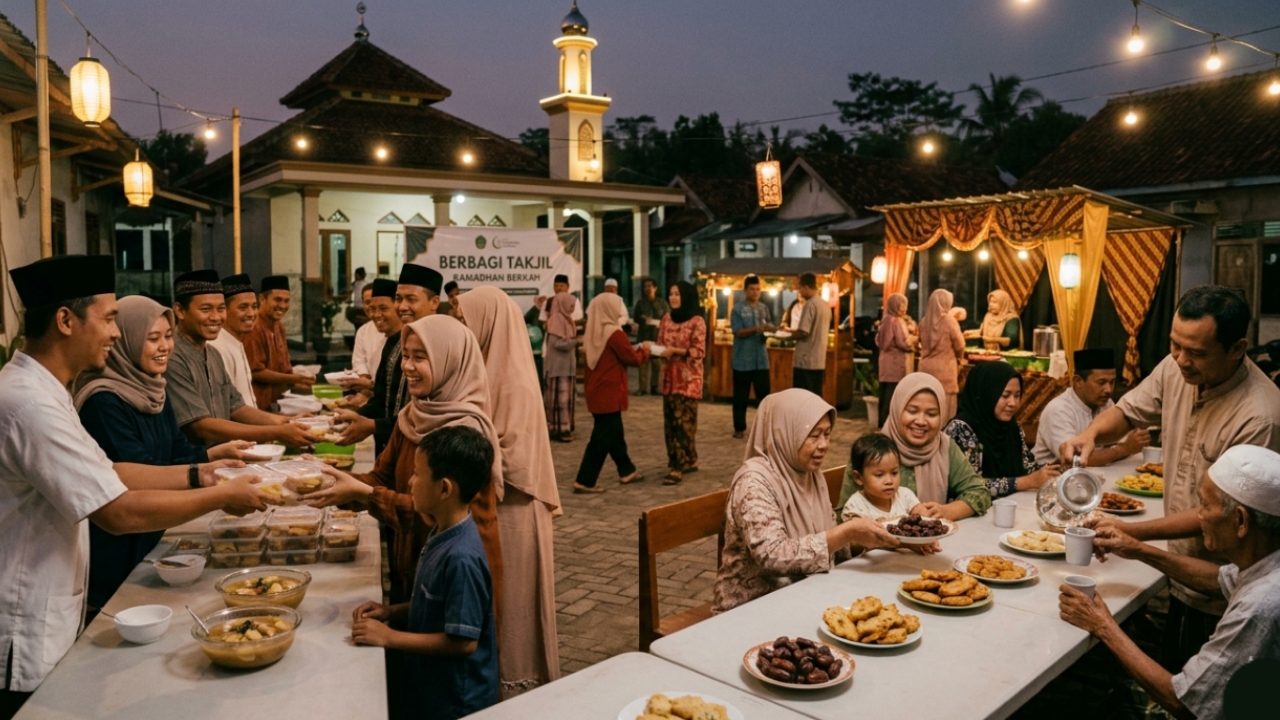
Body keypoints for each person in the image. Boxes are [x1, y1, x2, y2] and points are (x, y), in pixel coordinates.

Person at [0, 256, 274, 717]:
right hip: (26, 618)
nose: (113, 331)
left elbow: (112, 472)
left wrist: (201, 473)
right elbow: (117, 510)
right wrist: (221, 495)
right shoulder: (30, 405)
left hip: (56, 604)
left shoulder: (49, 391)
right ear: (66, 320)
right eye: (108, 318)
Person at [1063, 286, 1280, 669]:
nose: (1181, 360)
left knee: (1201, 692)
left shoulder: (1260, 415)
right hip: (1177, 571)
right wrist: (1091, 434)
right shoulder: (1176, 366)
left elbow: (1221, 513)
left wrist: (1133, 536)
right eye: (1174, 345)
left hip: (1223, 584)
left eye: (1196, 353)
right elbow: (1129, 413)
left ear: (1237, 347)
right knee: (1173, 659)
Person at [1060, 445, 1280, 720]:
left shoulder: (1259, 607)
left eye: (1205, 506)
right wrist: (1136, 548)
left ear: (1240, 520)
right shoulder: (1268, 562)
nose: (1198, 515)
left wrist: (1102, 625)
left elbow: (1184, 703)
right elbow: (1219, 580)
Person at [303, 316, 503, 608]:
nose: (407, 366)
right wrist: (324, 478)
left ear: (450, 361)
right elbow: (382, 477)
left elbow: (431, 516)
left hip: (456, 581)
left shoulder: (464, 431)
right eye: (405, 356)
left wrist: (363, 493)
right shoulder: (412, 414)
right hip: (414, 565)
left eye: (420, 357)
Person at [73, 295, 255, 611]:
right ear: (124, 340)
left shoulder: (154, 387)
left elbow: (176, 451)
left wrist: (213, 456)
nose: (165, 347)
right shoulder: (102, 402)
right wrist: (214, 485)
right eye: (152, 338)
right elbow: (136, 476)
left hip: (153, 539)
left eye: (168, 337)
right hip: (118, 551)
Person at [455, 285, 562, 695]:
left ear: (490, 323)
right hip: (503, 508)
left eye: (467, 319)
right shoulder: (490, 368)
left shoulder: (513, 379)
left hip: (516, 509)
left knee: (517, 607)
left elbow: (514, 460)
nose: (464, 328)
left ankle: (519, 688)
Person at [713, 389, 909, 613]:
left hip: (803, 592)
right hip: (752, 605)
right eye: (814, 435)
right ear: (784, 433)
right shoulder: (753, 483)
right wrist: (847, 532)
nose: (825, 444)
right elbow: (773, 555)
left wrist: (867, 537)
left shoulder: (809, 474)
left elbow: (830, 542)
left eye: (827, 434)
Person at [351, 426, 499, 720]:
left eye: (417, 474)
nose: (409, 481)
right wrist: (390, 612)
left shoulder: (461, 557)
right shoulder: (442, 531)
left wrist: (389, 637)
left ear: (444, 489)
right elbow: (436, 605)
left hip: (457, 702)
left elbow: (463, 641)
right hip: (431, 690)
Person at [165, 271, 314, 448]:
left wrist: (287, 422)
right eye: (206, 309)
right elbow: (200, 426)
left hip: (225, 459)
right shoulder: (171, 356)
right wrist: (276, 432)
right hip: (191, 467)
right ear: (180, 311)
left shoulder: (212, 354)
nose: (215, 317)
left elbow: (236, 407)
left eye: (220, 309)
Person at [837, 373, 992, 520]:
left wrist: (947, 511)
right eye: (912, 411)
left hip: (932, 543)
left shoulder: (944, 447)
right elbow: (844, 516)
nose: (921, 421)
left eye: (931, 414)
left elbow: (980, 492)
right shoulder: (871, 451)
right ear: (897, 409)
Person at [337, 265, 442, 454]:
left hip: (427, 451)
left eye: (411, 299)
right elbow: (381, 398)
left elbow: (431, 414)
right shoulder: (395, 341)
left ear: (434, 302)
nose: (402, 306)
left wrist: (373, 426)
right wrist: (354, 417)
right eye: (399, 299)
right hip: (390, 446)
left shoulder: (444, 345)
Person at [944, 361, 1060, 499]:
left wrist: (1053, 469)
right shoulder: (962, 429)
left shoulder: (1011, 427)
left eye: (1017, 395)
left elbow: (1028, 466)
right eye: (1005, 395)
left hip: (1009, 506)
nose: (1013, 403)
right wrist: (1025, 482)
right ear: (987, 393)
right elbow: (968, 485)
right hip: (969, 514)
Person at [573, 293, 649, 493]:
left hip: (596, 390)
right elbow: (632, 358)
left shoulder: (593, 330)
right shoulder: (613, 332)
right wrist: (647, 350)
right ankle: (585, 480)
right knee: (602, 437)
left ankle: (627, 470)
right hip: (609, 391)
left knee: (614, 432)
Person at [1031, 348, 1148, 466]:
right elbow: (1076, 459)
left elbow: (1118, 441)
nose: (1108, 390)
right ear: (1078, 381)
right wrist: (1125, 449)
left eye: (1112, 382)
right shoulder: (1058, 410)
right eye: (1101, 382)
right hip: (1051, 479)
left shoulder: (1107, 403)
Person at [654, 281, 707, 485]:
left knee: (683, 424)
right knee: (670, 423)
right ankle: (689, 460)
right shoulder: (666, 319)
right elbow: (661, 344)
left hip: (689, 381)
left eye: (677, 294)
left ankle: (677, 467)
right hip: (669, 378)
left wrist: (675, 351)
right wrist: (654, 350)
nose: (674, 297)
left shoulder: (697, 321)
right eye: (671, 294)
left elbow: (698, 352)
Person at [245, 275, 313, 410]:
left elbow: (283, 369)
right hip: (256, 406)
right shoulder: (253, 327)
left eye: (286, 301)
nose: (282, 306)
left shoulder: (279, 327)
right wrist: (294, 379)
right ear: (262, 299)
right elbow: (256, 372)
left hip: (277, 402)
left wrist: (299, 380)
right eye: (277, 300)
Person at [840, 432, 927, 520]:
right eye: (879, 475)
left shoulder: (905, 496)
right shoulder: (855, 507)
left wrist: (925, 514)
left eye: (894, 473)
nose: (889, 481)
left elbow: (924, 516)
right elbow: (855, 532)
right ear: (858, 478)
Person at [730, 275, 774, 439]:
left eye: (758, 289)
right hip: (742, 360)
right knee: (740, 396)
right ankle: (739, 428)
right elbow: (737, 331)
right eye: (752, 289)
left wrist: (772, 329)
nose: (755, 292)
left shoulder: (764, 308)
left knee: (764, 397)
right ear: (745, 291)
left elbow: (769, 327)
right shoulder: (737, 309)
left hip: (761, 360)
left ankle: (765, 429)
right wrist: (756, 329)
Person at [208, 273, 259, 408]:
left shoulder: (235, 342)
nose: (251, 314)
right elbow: (229, 409)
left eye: (254, 307)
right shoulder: (217, 348)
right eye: (243, 307)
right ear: (224, 310)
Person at [917, 289, 965, 422]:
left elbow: (919, 342)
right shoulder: (949, 321)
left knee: (928, 408)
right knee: (945, 412)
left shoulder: (923, 322)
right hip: (945, 371)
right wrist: (960, 357)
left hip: (926, 370)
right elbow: (960, 345)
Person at [542, 290, 578, 443]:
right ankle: (560, 429)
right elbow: (557, 343)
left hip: (565, 367)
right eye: (570, 305)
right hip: (558, 368)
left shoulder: (565, 319)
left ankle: (563, 426)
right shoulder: (556, 319)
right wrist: (575, 341)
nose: (572, 308)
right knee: (560, 400)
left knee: (564, 399)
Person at [790, 273, 832, 397]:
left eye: (800, 288)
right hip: (819, 360)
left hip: (805, 360)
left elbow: (803, 331)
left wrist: (786, 335)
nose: (799, 292)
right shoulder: (825, 305)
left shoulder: (810, 304)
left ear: (806, 287)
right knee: (815, 398)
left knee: (802, 399)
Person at [876, 293, 913, 429]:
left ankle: (882, 424)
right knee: (892, 395)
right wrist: (913, 342)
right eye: (902, 304)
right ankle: (889, 426)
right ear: (895, 305)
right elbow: (903, 342)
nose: (904, 308)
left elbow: (880, 342)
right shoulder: (895, 321)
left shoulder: (885, 319)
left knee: (885, 394)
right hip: (895, 363)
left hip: (885, 362)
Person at [345, 281, 385, 398]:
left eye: (380, 305)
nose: (372, 308)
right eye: (368, 303)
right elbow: (359, 361)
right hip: (370, 392)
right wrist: (363, 378)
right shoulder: (363, 331)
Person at [632, 277, 669, 396]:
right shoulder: (640, 303)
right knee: (643, 362)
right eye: (645, 286)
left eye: (650, 286)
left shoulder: (662, 303)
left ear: (655, 288)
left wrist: (660, 323)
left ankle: (655, 387)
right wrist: (643, 319)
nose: (647, 289)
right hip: (644, 336)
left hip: (657, 336)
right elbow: (636, 317)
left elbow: (668, 317)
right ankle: (642, 388)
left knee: (657, 363)